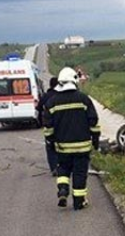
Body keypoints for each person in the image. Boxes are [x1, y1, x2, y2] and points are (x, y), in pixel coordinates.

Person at [43, 67, 100, 210]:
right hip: (82, 147)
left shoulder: (52, 102)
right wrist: (96, 140)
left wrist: (50, 141)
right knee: (80, 173)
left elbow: (48, 127)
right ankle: (78, 202)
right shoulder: (84, 99)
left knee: (63, 169)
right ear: (74, 81)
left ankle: (63, 189)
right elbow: (93, 121)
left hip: (62, 147)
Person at [35, 76, 59, 175]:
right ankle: (64, 166)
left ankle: (54, 168)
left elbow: (38, 108)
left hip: (49, 126)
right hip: (62, 125)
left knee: (50, 147)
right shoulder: (61, 95)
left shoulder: (46, 96)